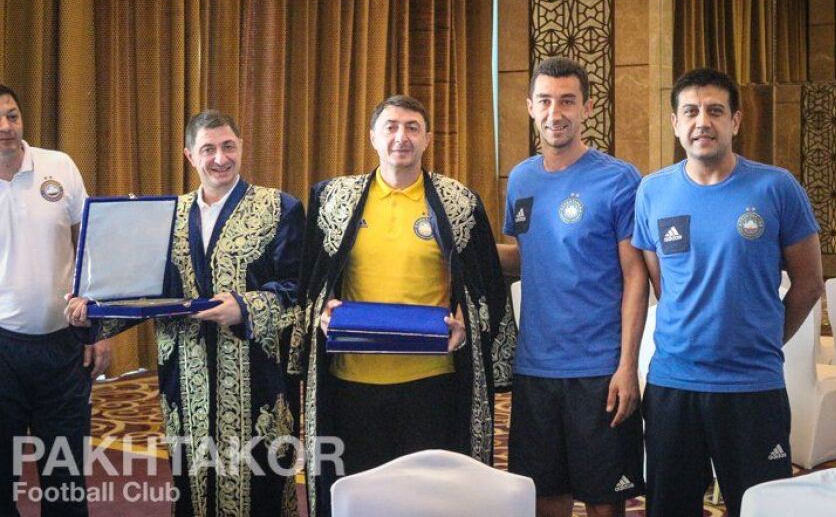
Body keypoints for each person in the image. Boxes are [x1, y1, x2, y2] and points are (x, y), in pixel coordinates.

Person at [67, 110, 304, 516]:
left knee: (260, 480)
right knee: (192, 481)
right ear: (190, 156)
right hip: (186, 374)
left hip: (257, 377)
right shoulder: (167, 216)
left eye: (228, 147)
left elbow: (299, 290)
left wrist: (245, 307)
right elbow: (142, 290)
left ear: (242, 147)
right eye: (208, 149)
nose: (220, 159)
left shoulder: (279, 207)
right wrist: (93, 311)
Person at [296, 95, 515, 516]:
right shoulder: (334, 201)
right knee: (359, 498)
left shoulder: (459, 203)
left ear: (428, 138)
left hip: (430, 384)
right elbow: (310, 284)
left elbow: (486, 287)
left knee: (426, 501)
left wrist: (465, 322)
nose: (402, 137)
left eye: (413, 128)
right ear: (372, 137)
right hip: (352, 382)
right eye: (391, 127)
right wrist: (322, 312)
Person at [631, 68, 824, 517]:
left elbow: (810, 283)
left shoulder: (776, 187)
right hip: (673, 385)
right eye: (690, 112)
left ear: (735, 121)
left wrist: (766, 338)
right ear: (675, 123)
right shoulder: (652, 192)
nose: (703, 122)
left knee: (761, 508)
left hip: (752, 386)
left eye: (715, 111)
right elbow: (662, 284)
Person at [497, 57, 648, 517]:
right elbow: (526, 257)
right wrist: (456, 251)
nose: (555, 112)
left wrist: (628, 365)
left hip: (598, 370)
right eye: (545, 101)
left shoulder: (619, 178)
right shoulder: (521, 179)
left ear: (587, 107)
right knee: (545, 498)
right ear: (530, 106)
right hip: (535, 369)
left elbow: (635, 276)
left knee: (604, 504)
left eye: (567, 101)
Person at [0, 85, 111, 516]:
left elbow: (92, 244)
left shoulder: (59, 166)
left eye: (12, 115)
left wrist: (100, 328)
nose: (5, 127)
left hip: (64, 347)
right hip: (3, 350)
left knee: (65, 479)